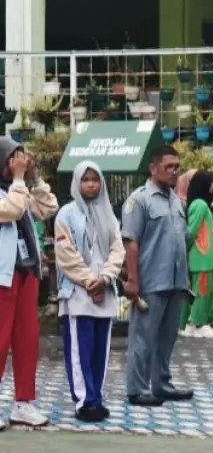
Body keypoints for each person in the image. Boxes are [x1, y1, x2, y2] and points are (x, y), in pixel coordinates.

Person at [122, 145, 194, 407]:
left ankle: (161, 383)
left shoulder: (176, 200)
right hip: (150, 281)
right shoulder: (138, 200)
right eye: (169, 167)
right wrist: (132, 279)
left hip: (174, 281)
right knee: (142, 337)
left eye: (178, 167)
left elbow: (181, 239)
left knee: (167, 336)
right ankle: (137, 388)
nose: (175, 171)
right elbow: (131, 242)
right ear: (153, 168)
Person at [54, 161, 124, 422]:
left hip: (104, 289)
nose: (91, 184)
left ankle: (97, 396)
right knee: (80, 349)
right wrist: (89, 281)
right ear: (77, 183)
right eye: (86, 180)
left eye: (95, 179)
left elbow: (118, 250)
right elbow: (65, 255)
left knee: (100, 349)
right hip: (78, 292)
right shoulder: (66, 214)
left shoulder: (110, 215)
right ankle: (84, 400)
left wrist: (105, 278)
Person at [0, 137, 58, 428]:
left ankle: (23, 403)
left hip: (26, 272)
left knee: (26, 340)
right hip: (2, 277)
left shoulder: (19, 188)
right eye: (12, 158)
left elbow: (47, 208)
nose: (17, 163)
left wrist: (33, 177)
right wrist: (20, 179)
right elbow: (11, 209)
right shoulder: (11, 192)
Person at [178, 171, 213, 339]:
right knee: (202, 291)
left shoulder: (201, 204)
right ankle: (197, 324)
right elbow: (191, 231)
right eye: (211, 183)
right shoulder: (200, 205)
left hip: (203, 257)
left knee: (198, 292)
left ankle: (187, 324)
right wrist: (184, 249)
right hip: (201, 257)